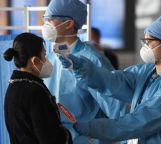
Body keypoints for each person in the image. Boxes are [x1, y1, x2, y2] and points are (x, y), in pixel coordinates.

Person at [59, 14, 161, 143]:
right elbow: (112, 81)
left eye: (149, 41)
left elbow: (141, 121)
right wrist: (81, 67)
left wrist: (92, 128)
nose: (145, 46)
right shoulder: (146, 72)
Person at [42, 0, 127, 143]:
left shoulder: (92, 59)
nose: (46, 25)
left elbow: (116, 108)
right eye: (44, 20)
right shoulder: (48, 58)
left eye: (51, 20)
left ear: (69, 23)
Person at [3, 33, 72, 144]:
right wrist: (67, 135)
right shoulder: (35, 92)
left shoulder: (13, 87)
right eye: (44, 56)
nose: (47, 60)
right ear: (34, 61)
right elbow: (50, 138)